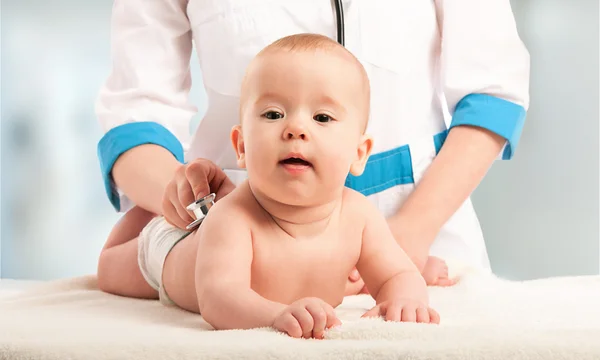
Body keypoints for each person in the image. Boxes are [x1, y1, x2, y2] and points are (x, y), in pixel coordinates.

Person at [95, 1, 530, 293]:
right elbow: (136, 116)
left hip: (421, 242)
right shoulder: (220, 242)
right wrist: (193, 211)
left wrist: (410, 233)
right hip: (243, 244)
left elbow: (491, 94)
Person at [97, 34, 440, 339]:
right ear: (242, 145)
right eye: (274, 114)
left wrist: (405, 298)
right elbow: (218, 298)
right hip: (172, 252)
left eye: (322, 117)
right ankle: (148, 214)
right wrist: (274, 315)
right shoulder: (232, 218)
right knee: (111, 270)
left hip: (209, 227)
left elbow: (398, 274)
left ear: (358, 152)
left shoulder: (360, 217)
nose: (295, 129)